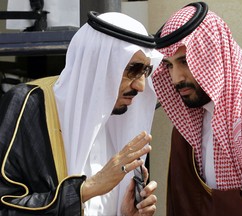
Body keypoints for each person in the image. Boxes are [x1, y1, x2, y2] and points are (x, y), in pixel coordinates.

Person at [0, 11, 163, 215]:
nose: (140, 86)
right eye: (132, 69)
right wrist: (85, 190)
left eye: (145, 72)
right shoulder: (28, 106)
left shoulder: (123, 123)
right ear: (99, 63)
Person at [152, 2, 242, 216]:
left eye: (185, 62)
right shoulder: (187, 124)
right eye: (169, 66)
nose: (176, 78)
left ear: (213, 56)